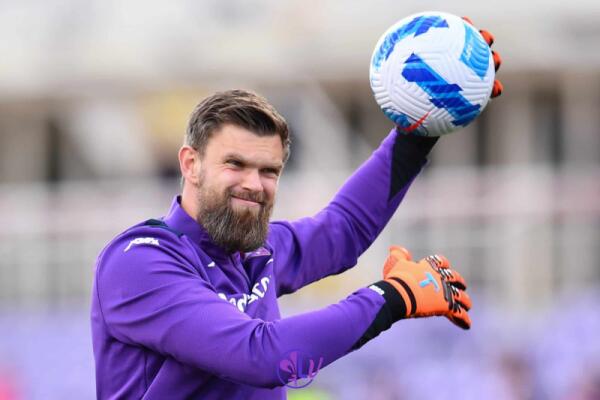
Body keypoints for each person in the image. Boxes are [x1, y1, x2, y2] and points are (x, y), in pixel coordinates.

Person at [91, 28, 501, 398]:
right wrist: (393, 297)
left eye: (268, 171)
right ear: (190, 164)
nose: (254, 183)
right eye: (235, 164)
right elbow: (259, 355)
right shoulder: (139, 261)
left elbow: (343, 230)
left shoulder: (254, 250)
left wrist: (420, 130)